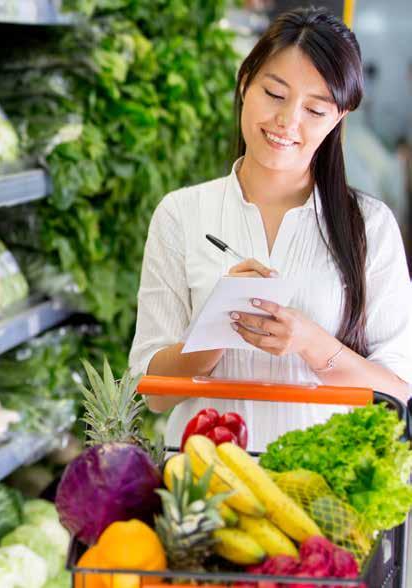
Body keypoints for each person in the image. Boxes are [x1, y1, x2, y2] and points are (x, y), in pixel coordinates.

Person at [128, 8, 412, 451]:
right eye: (275, 94)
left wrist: (311, 343)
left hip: (322, 494)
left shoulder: (369, 226)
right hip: (205, 486)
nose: (287, 122)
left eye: (315, 109)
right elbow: (153, 391)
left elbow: (396, 390)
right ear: (245, 84)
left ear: (338, 118)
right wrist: (214, 329)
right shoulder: (181, 214)